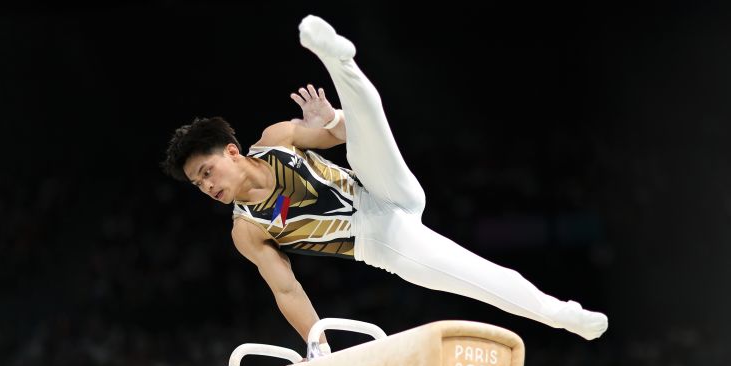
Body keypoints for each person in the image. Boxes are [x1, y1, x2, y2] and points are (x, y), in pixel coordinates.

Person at [160, 15, 608, 346]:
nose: (207, 187)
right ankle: (564, 315)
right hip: (382, 239)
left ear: (232, 152)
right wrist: (320, 344)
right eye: (198, 184)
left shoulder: (276, 139)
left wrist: (329, 120)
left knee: (361, 127)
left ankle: (339, 60)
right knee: (481, 278)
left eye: (206, 172)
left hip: (379, 185)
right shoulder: (247, 229)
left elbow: (343, 136)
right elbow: (286, 288)